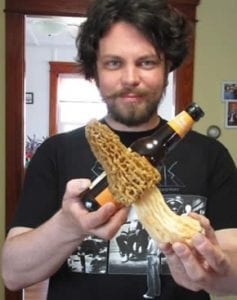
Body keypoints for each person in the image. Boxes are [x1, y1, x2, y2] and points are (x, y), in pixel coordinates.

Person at [1, 0, 237, 299]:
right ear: (94, 72)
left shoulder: (211, 155)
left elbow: (233, 267)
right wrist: (68, 225)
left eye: (146, 62)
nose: (130, 79)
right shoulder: (55, 152)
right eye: (114, 63)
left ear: (168, 68)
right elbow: (13, 273)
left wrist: (218, 269)